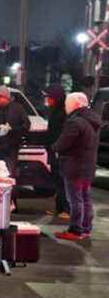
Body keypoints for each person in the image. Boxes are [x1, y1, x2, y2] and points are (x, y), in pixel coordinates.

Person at [54, 93, 100, 241]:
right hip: (87, 167)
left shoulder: (75, 122)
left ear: (76, 104)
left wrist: (54, 147)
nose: (66, 107)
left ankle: (75, 231)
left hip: (75, 167)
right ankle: (86, 229)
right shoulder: (92, 120)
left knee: (75, 200)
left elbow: (63, 144)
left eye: (68, 103)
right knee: (85, 198)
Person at [43, 84, 69, 219]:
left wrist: (57, 148)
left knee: (63, 180)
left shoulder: (64, 111)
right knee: (57, 181)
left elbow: (63, 133)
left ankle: (66, 209)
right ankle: (59, 209)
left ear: (56, 97)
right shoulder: (53, 110)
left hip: (60, 151)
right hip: (53, 150)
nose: (47, 100)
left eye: (49, 97)